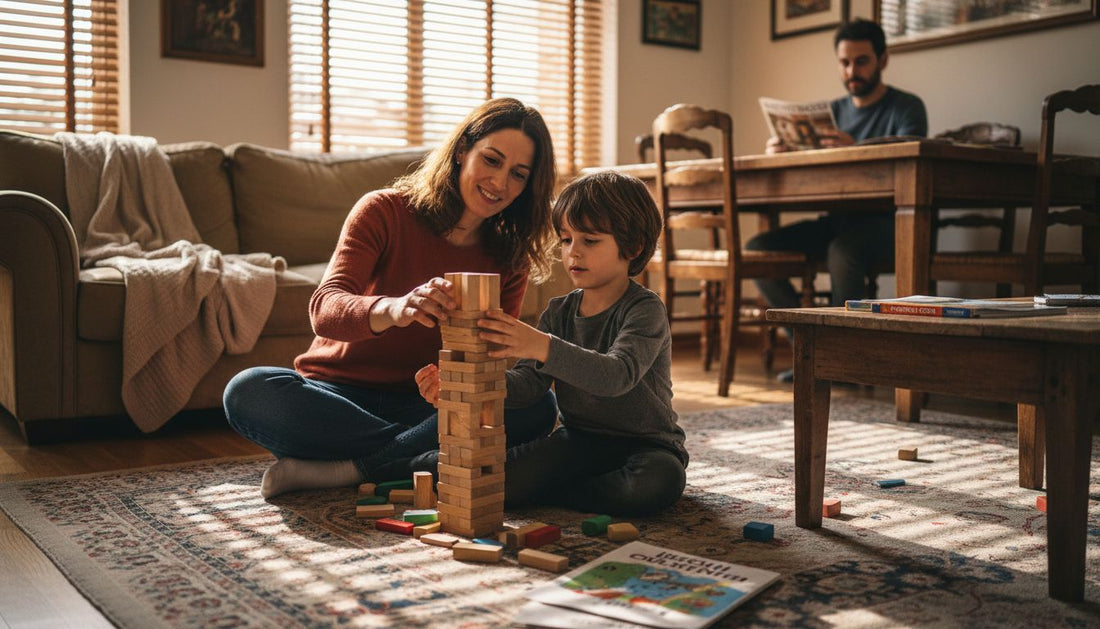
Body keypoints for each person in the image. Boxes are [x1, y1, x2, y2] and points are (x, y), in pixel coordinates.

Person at [223, 98, 560, 499]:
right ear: (462, 151)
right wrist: (393, 308)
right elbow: (325, 309)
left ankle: (354, 468)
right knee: (249, 390)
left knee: (538, 406)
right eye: (491, 160)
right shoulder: (384, 210)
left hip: (429, 409)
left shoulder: (510, 254)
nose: (500, 183)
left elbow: (490, 360)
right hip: (338, 397)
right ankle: (417, 459)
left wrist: (453, 385)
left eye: (518, 174)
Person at [408, 171, 687, 516]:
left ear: (633, 247)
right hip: (579, 441)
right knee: (493, 484)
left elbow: (616, 376)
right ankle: (439, 465)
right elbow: (527, 387)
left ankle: (554, 490)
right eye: (566, 239)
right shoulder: (560, 311)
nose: (573, 253)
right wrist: (467, 385)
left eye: (590, 240)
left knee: (656, 484)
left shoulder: (645, 309)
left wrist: (542, 345)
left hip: (646, 445)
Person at [746, 18, 927, 381]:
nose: (851, 71)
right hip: (837, 221)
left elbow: (911, 156)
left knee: (843, 252)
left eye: (861, 61)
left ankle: (843, 359)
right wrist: (782, 154)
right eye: (844, 63)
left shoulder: (906, 107)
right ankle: (813, 351)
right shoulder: (833, 112)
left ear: (883, 60)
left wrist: (855, 149)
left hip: (892, 223)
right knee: (758, 251)